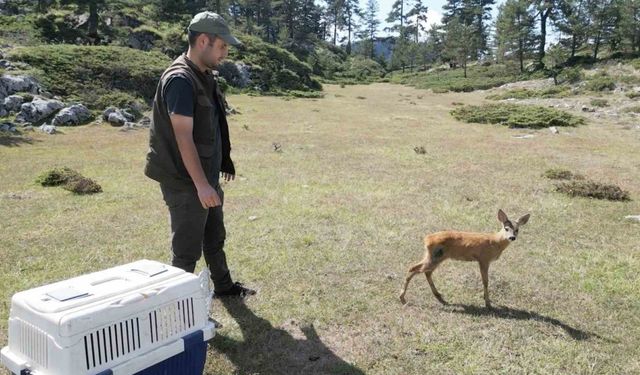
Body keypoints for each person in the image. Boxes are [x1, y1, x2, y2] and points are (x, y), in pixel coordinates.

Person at [144, 11, 255, 298]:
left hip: (205, 174)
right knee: (186, 250)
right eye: (222, 46)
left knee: (214, 236)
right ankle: (175, 308)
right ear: (203, 40)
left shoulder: (203, 76)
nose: (225, 53)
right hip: (185, 180)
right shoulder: (180, 80)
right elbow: (183, 137)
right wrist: (201, 185)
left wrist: (212, 176)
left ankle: (224, 287)